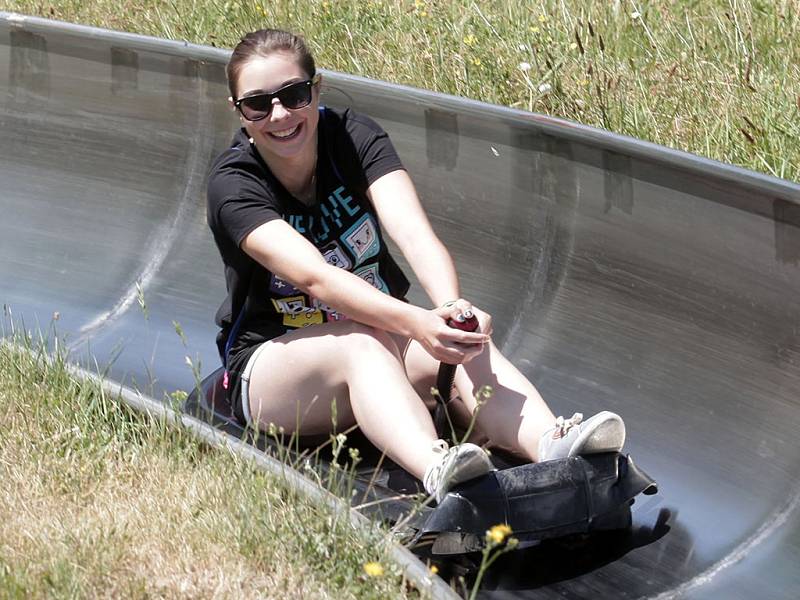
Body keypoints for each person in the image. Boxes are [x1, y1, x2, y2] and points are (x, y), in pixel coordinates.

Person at [207, 29, 626, 502]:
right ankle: (440, 467)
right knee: (361, 343)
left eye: (293, 95)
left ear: (316, 90)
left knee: (466, 340)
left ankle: (554, 444)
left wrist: (450, 310)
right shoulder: (234, 184)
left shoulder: (353, 137)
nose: (280, 115)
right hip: (274, 370)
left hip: (383, 339)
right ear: (239, 111)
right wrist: (417, 321)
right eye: (258, 104)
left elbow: (414, 234)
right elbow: (314, 277)